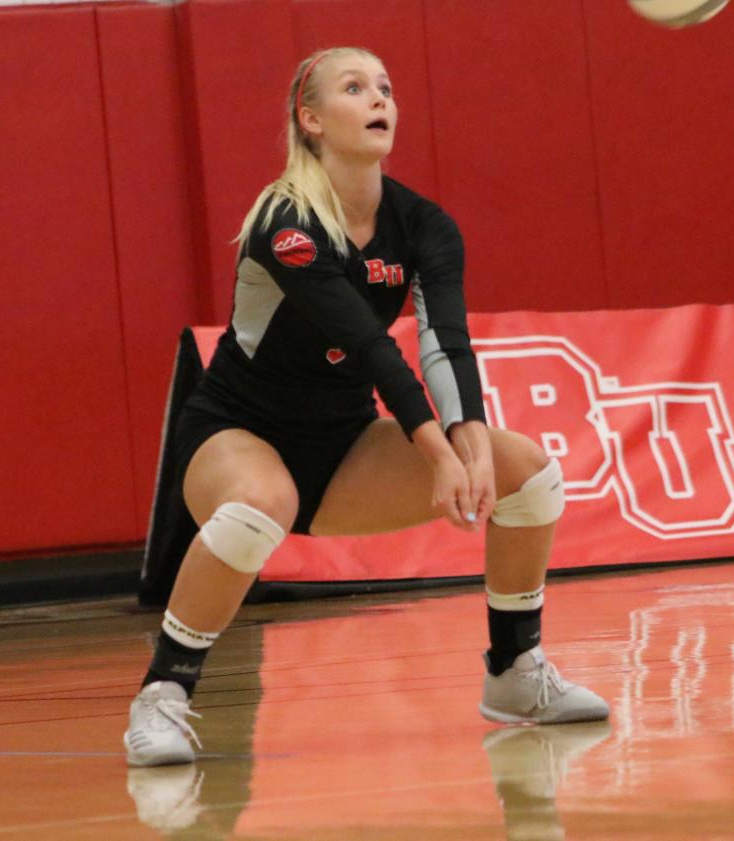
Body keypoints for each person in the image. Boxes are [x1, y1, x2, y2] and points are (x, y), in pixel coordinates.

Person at [124, 46, 610, 767]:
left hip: (342, 443)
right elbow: (370, 345)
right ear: (311, 118)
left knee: (526, 470)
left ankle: (514, 671)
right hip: (234, 429)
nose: (379, 98)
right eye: (355, 88)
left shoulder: (423, 225)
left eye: (384, 86)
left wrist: (470, 444)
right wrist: (436, 453)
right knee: (261, 503)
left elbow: (445, 342)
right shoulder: (282, 222)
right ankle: (161, 696)